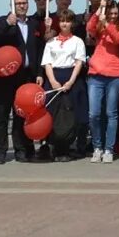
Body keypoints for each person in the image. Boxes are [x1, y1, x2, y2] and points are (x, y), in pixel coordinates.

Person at [0, 0, 46, 165]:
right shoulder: (2, 22)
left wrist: (39, 73)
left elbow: (40, 49)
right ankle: (0, 152)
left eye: (24, 3)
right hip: (6, 76)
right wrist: (6, 24)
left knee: (22, 114)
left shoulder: (34, 23)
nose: (22, 5)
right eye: (18, 3)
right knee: (2, 114)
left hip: (26, 76)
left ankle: (22, 150)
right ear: (12, 5)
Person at [86, 0, 119, 163]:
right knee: (94, 113)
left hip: (114, 75)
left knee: (111, 113)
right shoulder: (100, 27)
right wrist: (98, 11)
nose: (113, 15)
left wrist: (108, 24)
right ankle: (97, 147)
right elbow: (89, 27)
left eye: (115, 13)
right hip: (96, 74)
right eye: (110, 13)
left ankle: (109, 149)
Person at [42, 12, 88, 161]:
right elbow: (47, 63)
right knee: (53, 113)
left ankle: (68, 148)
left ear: (72, 23)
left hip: (71, 77)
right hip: (54, 77)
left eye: (67, 21)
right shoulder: (51, 42)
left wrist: (71, 81)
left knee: (72, 114)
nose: (64, 24)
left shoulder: (77, 41)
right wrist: (53, 81)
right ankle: (53, 146)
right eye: (62, 21)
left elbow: (79, 62)